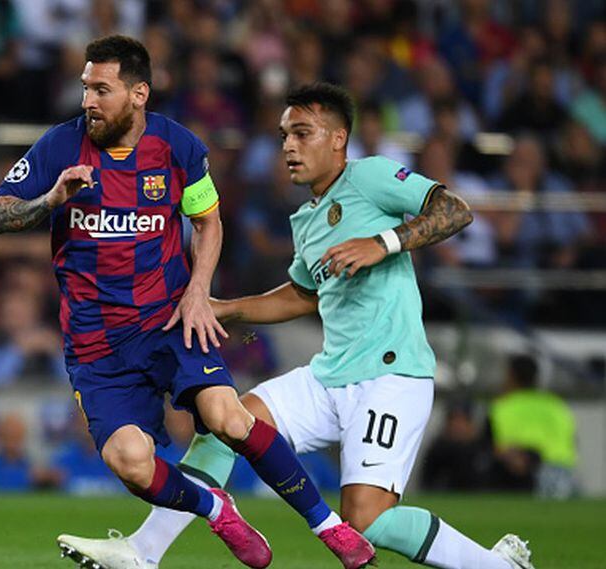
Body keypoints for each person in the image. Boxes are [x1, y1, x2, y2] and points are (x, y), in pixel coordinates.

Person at [60, 83, 535, 569]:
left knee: (367, 521)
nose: (288, 146)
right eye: (285, 135)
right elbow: (302, 296)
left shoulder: (370, 176)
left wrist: (383, 243)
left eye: (302, 133)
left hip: (390, 376)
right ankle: (143, 552)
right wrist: (223, 308)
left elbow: (455, 210)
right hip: (330, 374)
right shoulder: (307, 218)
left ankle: (498, 567)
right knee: (227, 424)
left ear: (338, 138)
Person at [0, 36, 371, 569]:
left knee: (227, 417)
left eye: (102, 89)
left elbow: (208, 222)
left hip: (168, 319)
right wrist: (52, 199)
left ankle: (330, 529)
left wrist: (197, 292)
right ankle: (214, 507)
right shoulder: (59, 146)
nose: (88, 101)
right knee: (131, 462)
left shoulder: (177, 147)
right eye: (85, 88)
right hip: (96, 343)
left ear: (138, 93)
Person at [489, 354, 578, 499]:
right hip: (564, 472)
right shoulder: (556, 405)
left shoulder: (502, 407)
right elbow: (572, 440)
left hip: (526, 476)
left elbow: (497, 449)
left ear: (511, 376)